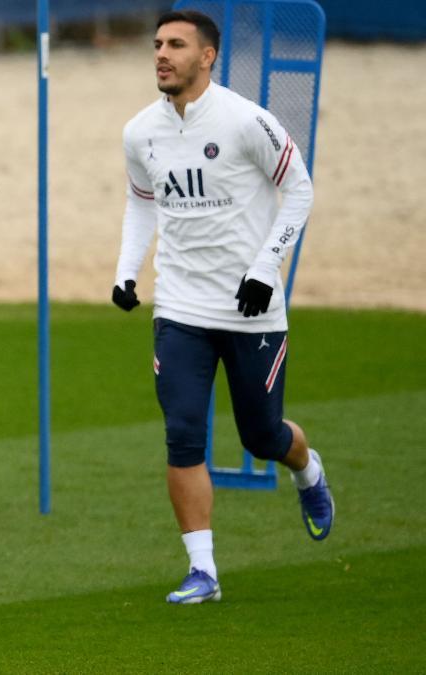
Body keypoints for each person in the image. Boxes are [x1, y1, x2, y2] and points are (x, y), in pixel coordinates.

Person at [112, 10, 335, 605]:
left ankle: (307, 470)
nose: (162, 53)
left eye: (176, 44)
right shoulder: (140, 132)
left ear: (208, 56)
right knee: (183, 434)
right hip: (180, 307)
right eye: (157, 42)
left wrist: (266, 269)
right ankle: (203, 572)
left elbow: (300, 189)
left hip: (251, 310)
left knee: (262, 436)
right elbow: (141, 203)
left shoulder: (246, 121)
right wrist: (126, 273)